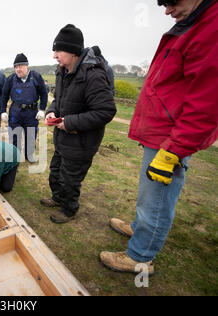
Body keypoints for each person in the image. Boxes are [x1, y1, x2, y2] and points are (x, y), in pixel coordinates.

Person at [100, 0, 218, 276]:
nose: (166, 10)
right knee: (149, 193)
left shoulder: (211, 28)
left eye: (172, 1)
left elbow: (207, 102)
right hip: (161, 132)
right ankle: (141, 229)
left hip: (171, 138)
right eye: (163, 3)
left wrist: (174, 149)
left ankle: (140, 256)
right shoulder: (192, 22)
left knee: (158, 197)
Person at [41, 24, 116, 224]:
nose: (55, 56)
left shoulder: (92, 74)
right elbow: (58, 99)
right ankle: (58, 198)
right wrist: (51, 112)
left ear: (72, 51)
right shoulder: (62, 72)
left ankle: (69, 209)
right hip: (63, 137)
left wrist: (70, 122)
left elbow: (106, 111)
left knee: (70, 180)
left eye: (58, 51)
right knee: (56, 173)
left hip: (81, 141)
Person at [1, 53, 48, 163]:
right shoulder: (10, 79)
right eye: (16, 67)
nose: (18, 69)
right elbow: (4, 96)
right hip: (15, 112)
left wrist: (42, 109)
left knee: (31, 135)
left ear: (27, 66)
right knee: (14, 136)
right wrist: (3, 111)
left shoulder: (36, 77)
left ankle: (29, 155)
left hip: (31, 112)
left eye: (21, 66)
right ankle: (15, 157)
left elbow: (44, 94)